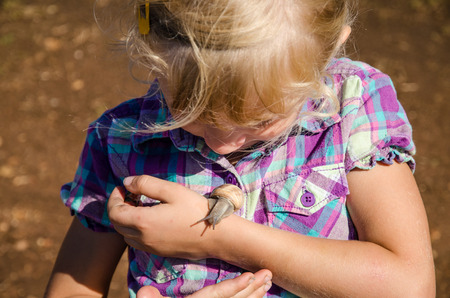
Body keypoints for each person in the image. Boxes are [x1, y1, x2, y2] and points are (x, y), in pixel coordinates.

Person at [45, 0, 436, 297]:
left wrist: (220, 238)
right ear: (155, 55)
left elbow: (409, 284)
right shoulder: (121, 138)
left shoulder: (352, 108)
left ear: (331, 48)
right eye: (189, 112)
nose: (221, 142)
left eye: (262, 121)